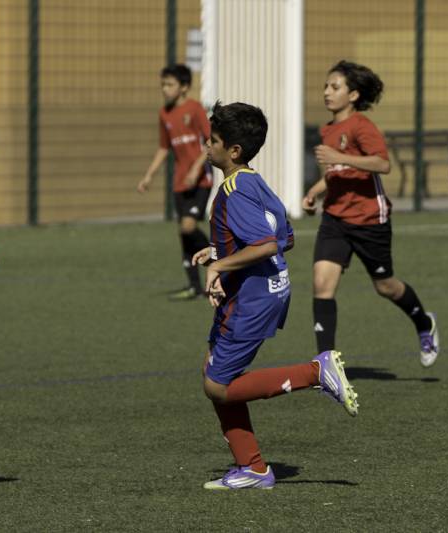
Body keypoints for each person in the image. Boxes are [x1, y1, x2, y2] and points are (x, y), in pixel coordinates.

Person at [192, 102, 358, 491]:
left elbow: (266, 244)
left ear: (233, 150)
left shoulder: (233, 190)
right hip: (264, 288)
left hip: (252, 297)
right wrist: (219, 254)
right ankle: (251, 468)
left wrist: (219, 268)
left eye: (213, 140)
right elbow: (286, 238)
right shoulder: (253, 180)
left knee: (217, 385)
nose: (206, 144)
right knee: (212, 369)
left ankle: (316, 373)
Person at [302, 60, 439, 367]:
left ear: (353, 95)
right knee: (322, 284)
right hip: (334, 218)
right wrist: (315, 191)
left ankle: (423, 323)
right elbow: (338, 171)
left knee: (385, 286)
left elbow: (382, 163)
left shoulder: (361, 126)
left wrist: (338, 156)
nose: (327, 92)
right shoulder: (328, 129)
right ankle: (326, 363)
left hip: (368, 220)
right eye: (326, 86)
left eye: (334, 87)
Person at [138, 64, 213, 300]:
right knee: (184, 234)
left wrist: (195, 168)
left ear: (184, 87)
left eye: (169, 85)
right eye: (163, 84)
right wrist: (149, 175)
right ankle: (194, 286)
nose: (165, 89)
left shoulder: (195, 109)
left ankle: (218, 254)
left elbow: (210, 142)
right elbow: (164, 147)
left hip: (200, 180)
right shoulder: (165, 114)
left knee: (188, 227)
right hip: (180, 182)